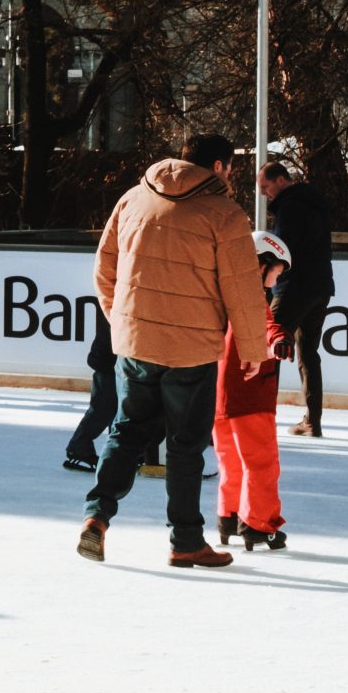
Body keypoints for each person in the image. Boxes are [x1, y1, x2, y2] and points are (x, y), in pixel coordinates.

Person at [78, 134, 269, 568]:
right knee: (185, 445)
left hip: (137, 344)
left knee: (126, 432)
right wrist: (254, 348)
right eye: (232, 168)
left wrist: (125, 322)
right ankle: (185, 541)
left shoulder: (133, 198)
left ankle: (97, 515)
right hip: (191, 350)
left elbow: (103, 270)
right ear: (218, 166)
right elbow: (242, 290)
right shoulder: (224, 214)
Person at [215, 232, 295, 551]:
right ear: (260, 264)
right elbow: (266, 324)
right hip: (250, 395)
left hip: (220, 395)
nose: (278, 278)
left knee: (231, 461)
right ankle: (259, 525)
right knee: (262, 462)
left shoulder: (221, 291)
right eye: (277, 269)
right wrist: (279, 340)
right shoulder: (250, 295)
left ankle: (229, 516)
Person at [261, 162, 336, 438]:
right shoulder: (315, 202)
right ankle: (313, 420)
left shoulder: (290, 207)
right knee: (308, 354)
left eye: (266, 188)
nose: (265, 194)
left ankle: (263, 416)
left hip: (293, 287)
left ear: (281, 180)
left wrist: (270, 275)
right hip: (321, 286)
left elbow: (281, 247)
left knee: (271, 348)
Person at [63, 308, 117, 473]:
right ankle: (79, 446)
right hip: (110, 357)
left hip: (113, 355)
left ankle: (117, 452)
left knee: (114, 407)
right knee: (105, 407)